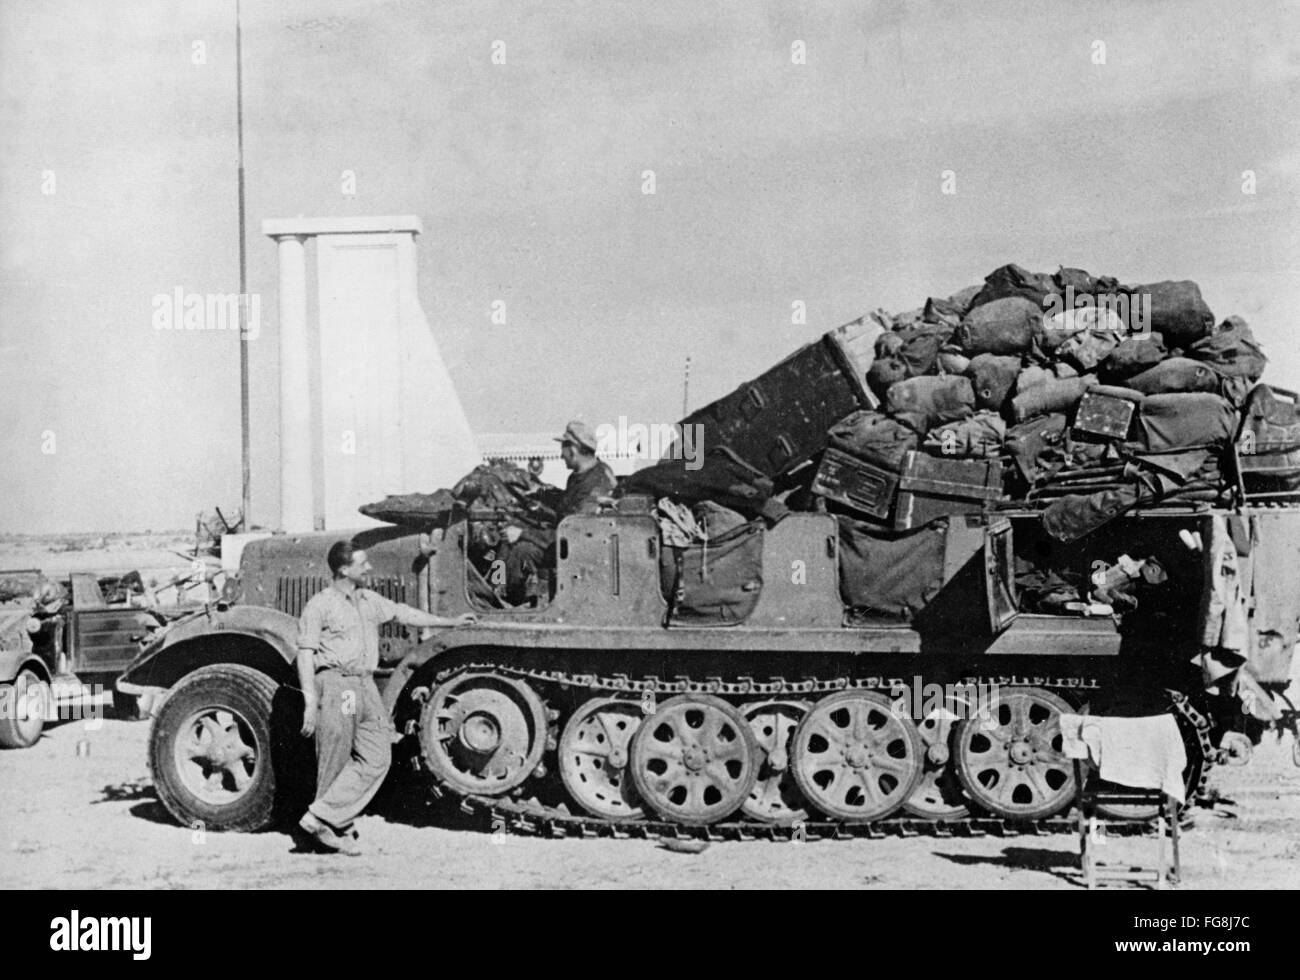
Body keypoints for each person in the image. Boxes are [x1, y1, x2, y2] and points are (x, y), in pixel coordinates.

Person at [296, 540, 475, 854]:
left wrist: (450, 622)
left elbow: (403, 613)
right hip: (341, 686)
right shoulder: (320, 604)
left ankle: (322, 817)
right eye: (362, 563)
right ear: (343, 569)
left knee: (378, 755)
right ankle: (327, 829)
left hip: (364, 685)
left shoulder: (367, 599)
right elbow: (305, 653)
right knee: (335, 756)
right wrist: (310, 702)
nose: (369, 567)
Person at [555, 420, 616, 518]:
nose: (562, 456)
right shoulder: (579, 476)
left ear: (573, 450)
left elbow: (575, 524)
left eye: (563, 451)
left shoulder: (599, 480)